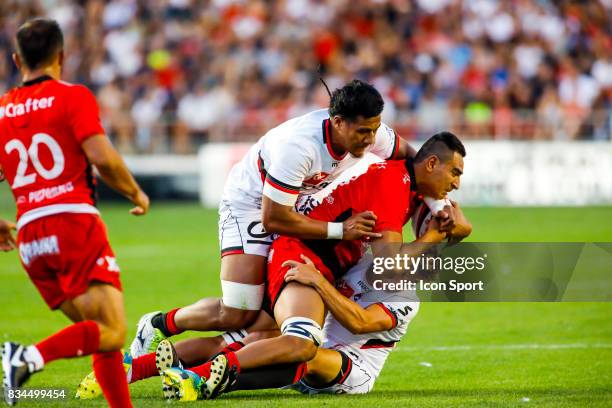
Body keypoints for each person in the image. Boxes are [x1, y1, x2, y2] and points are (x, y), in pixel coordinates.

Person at [130, 80, 455, 358]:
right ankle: (158, 324)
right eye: (363, 132)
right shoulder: (300, 147)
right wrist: (340, 230)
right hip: (252, 205)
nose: (371, 141)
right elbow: (273, 219)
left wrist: (442, 204)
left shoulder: (372, 132)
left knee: (268, 318)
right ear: (338, 122)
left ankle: (201, 359)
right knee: (240, 310)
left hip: (296, 205)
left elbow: (419, 160)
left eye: (374, 130)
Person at [160, 132, 468, 400]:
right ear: (430, 164)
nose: (456, 184)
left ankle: (145, 363)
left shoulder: (405, 190)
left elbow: (460, 229)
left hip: (325, 288)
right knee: (297, 342)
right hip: (304, 256)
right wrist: (432, 236)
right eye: (455, 173)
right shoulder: (393, 191)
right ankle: (200, 372)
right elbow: (389, 268)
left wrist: (443, 230)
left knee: (253, 334)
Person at [0, 18, 149, 407]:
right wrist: (136, 192)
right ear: (61, 56)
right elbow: (101, 156)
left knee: (99, 330)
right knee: (113, 331)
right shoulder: (72, 96)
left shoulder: (2, 111)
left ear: (16, 60)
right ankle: (28, 357)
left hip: (31, 239)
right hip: (70, 222)